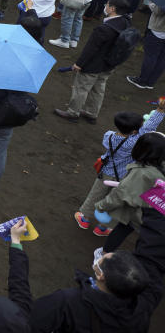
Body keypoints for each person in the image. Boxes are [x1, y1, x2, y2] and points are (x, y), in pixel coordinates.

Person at [29, 206, 165, 332]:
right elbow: (152, 258)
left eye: (103, 259)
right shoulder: (143, 306)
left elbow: (25, 323)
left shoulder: (69, 302)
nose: (101, 257)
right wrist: (157, 207)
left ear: (100, 275)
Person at [74, 110, 163, 237]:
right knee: (116, 202)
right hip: (124, 178)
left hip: (106, 173)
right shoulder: (134, 142)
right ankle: (104, 228)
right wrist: (160, 111)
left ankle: (85, 219)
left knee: (95, 195)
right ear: (134, 131)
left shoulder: (109, 136)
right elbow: (149, 127)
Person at [53, 0, 132, 124]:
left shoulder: (104, 29)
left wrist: (79, 64)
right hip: (108, 65)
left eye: (107, 4)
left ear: (112, 9)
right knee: (98, 89)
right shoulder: (126, 22)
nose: (105, 6)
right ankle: (91, 113)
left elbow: (90, 49)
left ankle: (73, 113)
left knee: (81, 88)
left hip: (93, 65)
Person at [92, 132, 165, 255]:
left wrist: (101, 206)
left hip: (141, 214)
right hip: (158, 213)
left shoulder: (141, 173)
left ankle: (103, 256)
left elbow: (120, 195)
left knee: (123, 229)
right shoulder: (161, 166)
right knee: (149, 240)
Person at [127, 1, 165, 89]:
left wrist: (151, 4)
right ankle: (151, 82)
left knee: (151, 56)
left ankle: (142, 81)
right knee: (162, 58)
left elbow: (158, 11)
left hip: (158, 30)